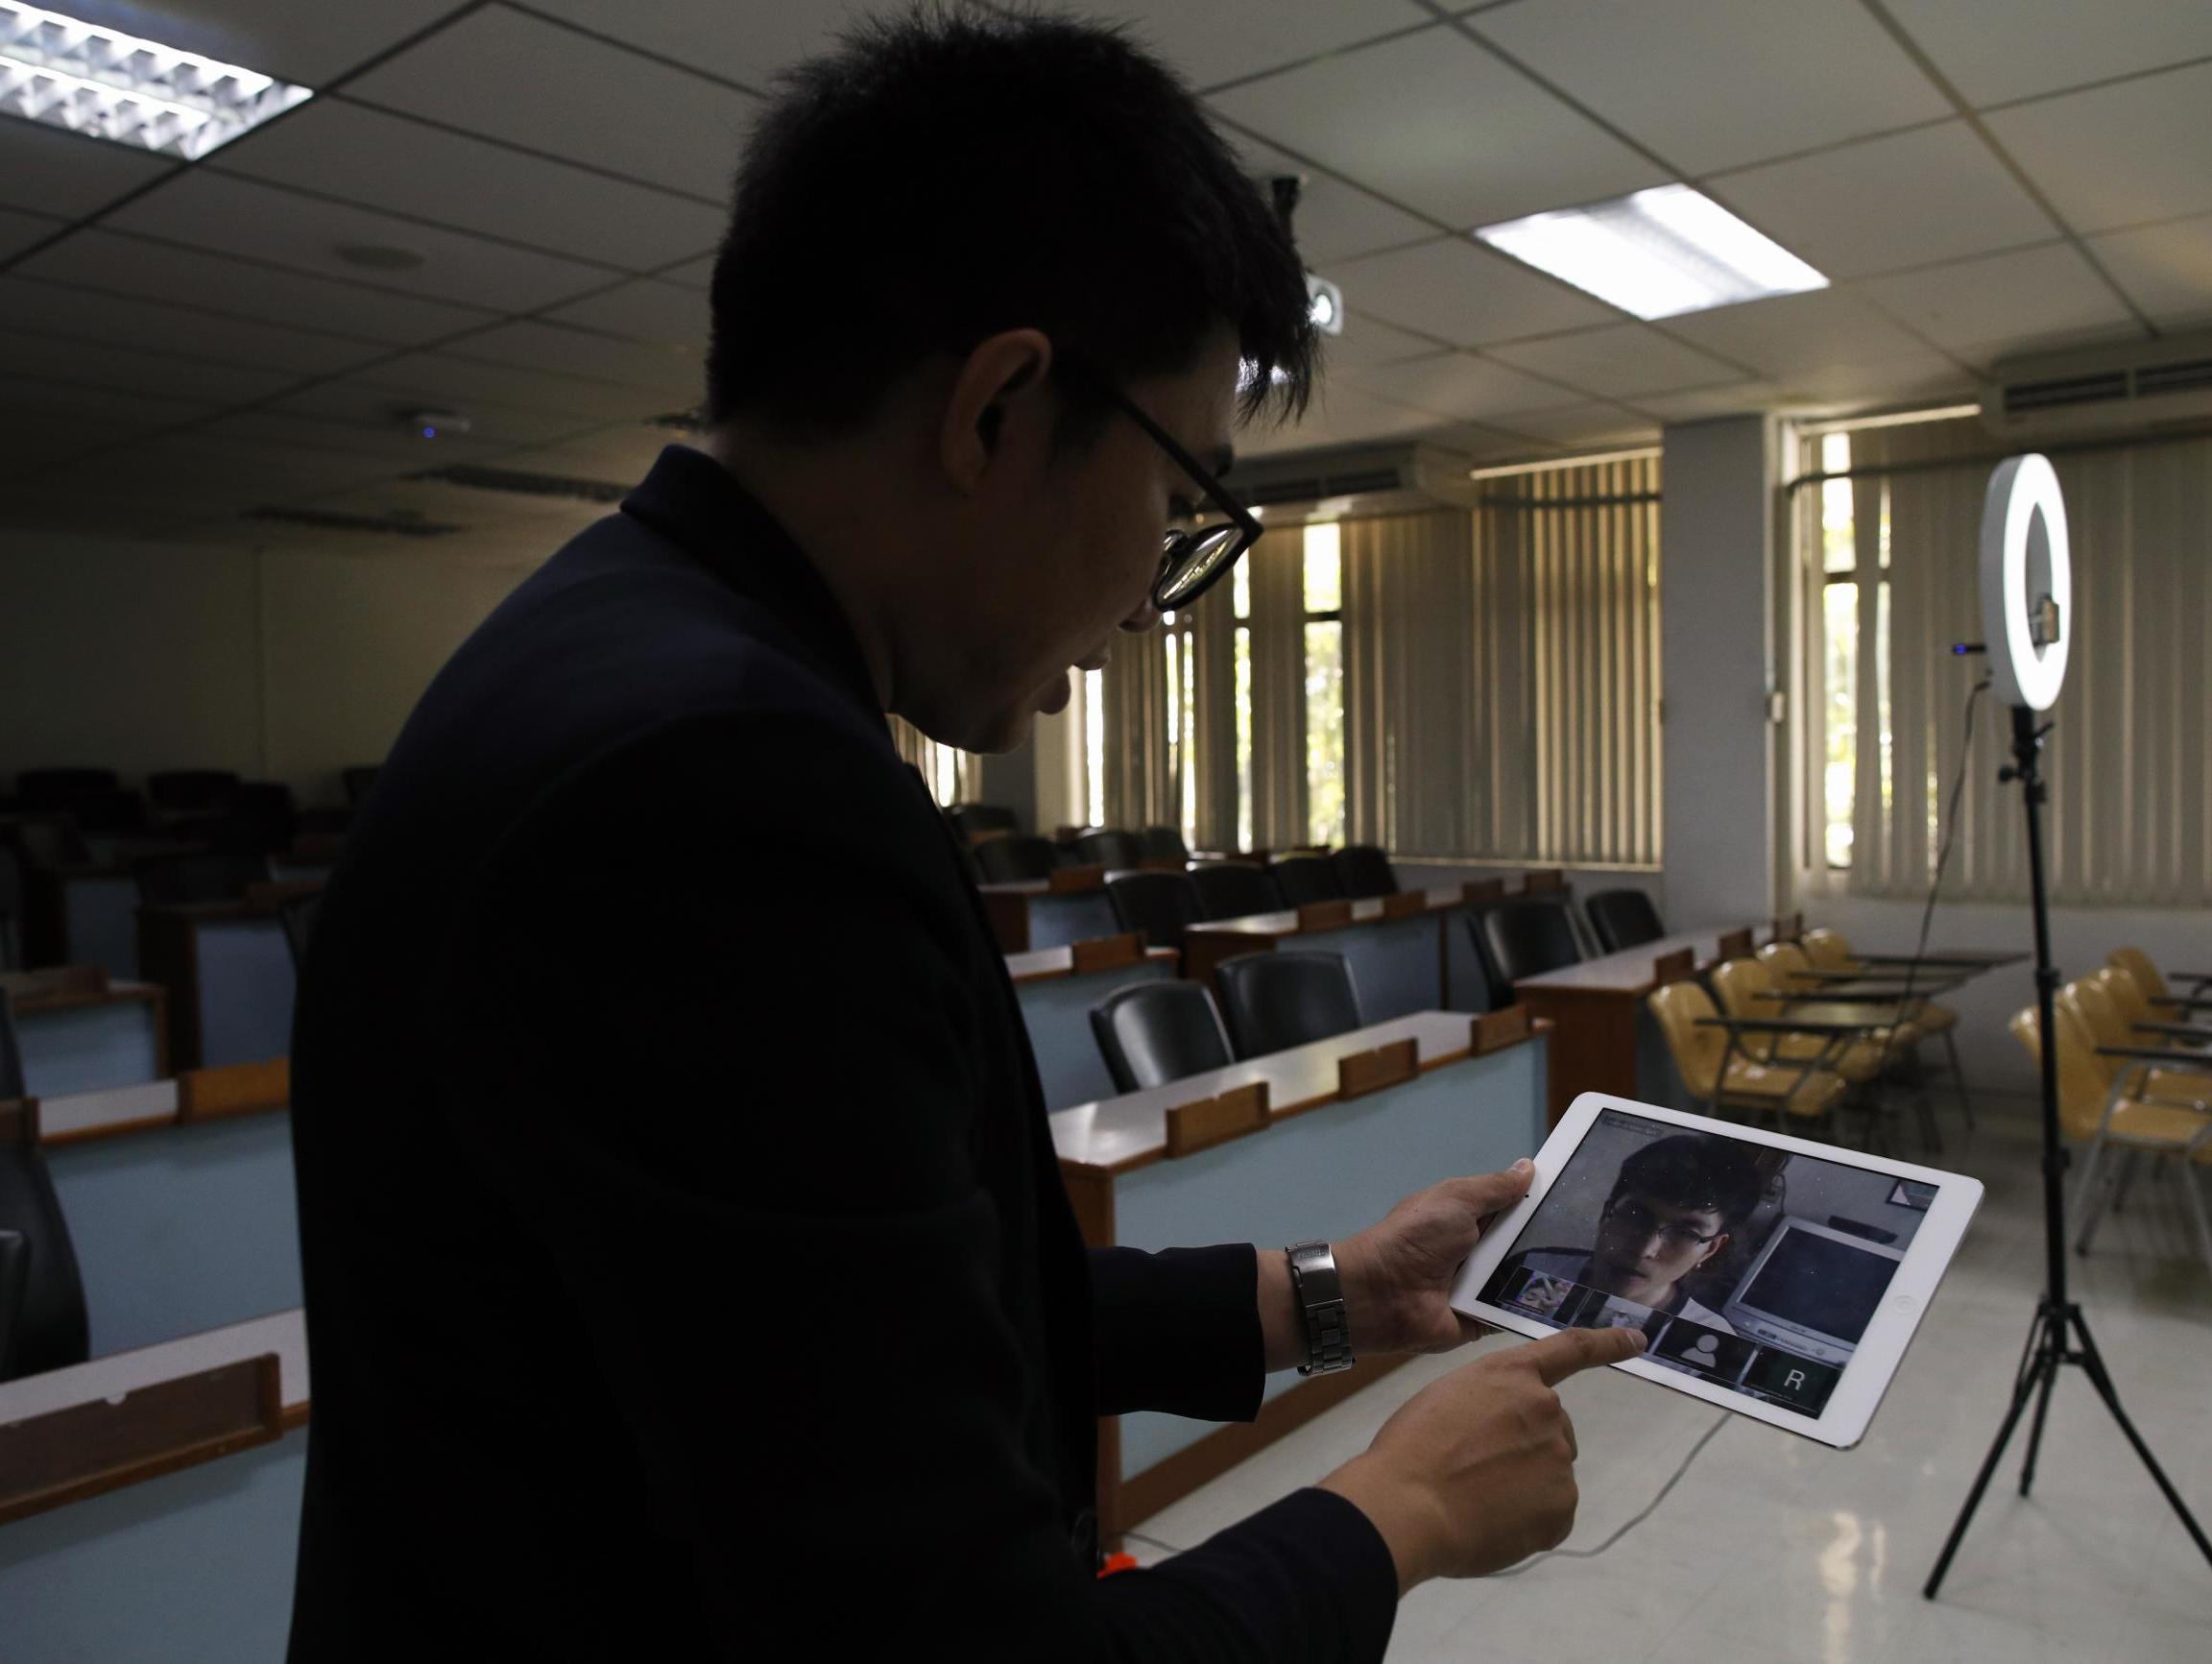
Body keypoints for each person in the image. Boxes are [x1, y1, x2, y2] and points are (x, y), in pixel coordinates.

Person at [283, 11, 1638, 1660]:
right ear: (1000, 406)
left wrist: (1332, 1291)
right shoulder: (723, 790)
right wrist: (1401, 1506)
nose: (1154, 597)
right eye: (1183, 496)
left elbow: (832, 1337)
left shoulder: (637, 661)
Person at [1500, 1135, 1767, 1335]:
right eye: (1636, 1217)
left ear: (1710, 1250)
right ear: (1607, 1213)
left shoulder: (1710, 1337)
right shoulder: (1531, 1267)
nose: (1645, 1249)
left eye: (1685, 1233)